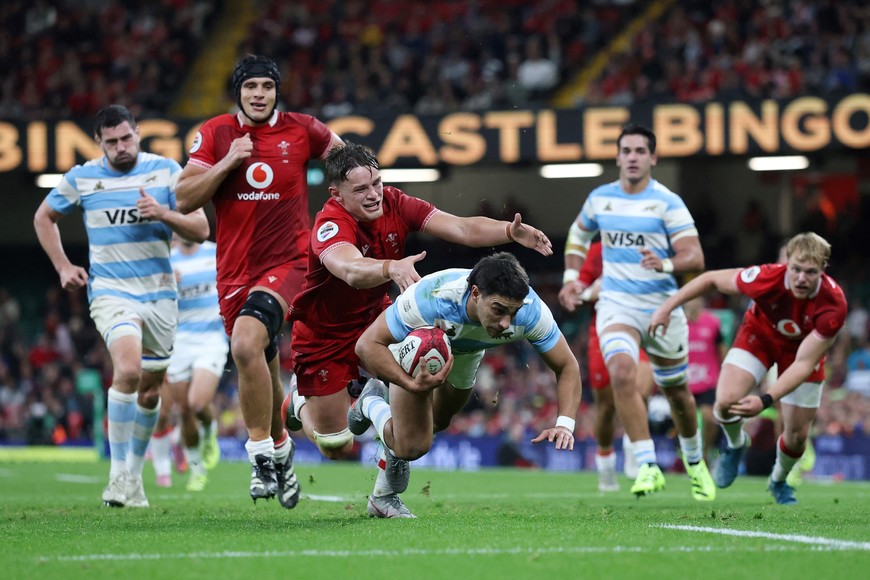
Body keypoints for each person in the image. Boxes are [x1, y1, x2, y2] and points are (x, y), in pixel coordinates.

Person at [281, 142, 553, 516]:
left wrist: (509, 231)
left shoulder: (395, 202)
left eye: (376, 182)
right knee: (337, 444)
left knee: (418, 385)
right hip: (323, 334)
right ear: (337, 194)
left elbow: (459, 226)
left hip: (378, 319)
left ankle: (384, 492)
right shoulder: (330, 224)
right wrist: (390, 267)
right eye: (361, 189)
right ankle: (298, 399)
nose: (374, 194)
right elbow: (349, 269)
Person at [175, 55, 344, 506]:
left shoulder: (302, 128)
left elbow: (349, 165)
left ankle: (259, 458)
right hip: (233, 273)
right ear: (238, 91)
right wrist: (226, 163)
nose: (259, 94)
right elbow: (183, 197)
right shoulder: (214, 135)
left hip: (288, 263)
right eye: (251, 86)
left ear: (276, 92)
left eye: (267, 87)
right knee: (261, 360)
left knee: (246, 344)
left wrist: (351, 210)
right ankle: (281, 451)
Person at [33, 105, 210, 507]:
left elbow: (201, 228)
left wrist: (163, 213)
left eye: (126, 138)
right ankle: (118, 477)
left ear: (137, 135)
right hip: (112, 291)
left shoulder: (166, 170)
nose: (120, 147)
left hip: (161, 295)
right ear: (99, 143)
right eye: (111, 141)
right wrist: (62, 266)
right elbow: (44, 218)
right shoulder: (83, 178)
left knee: (150, 393)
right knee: (127, 369)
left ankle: (134, 475)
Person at [350, 252, 581, 517]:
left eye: (513, 312)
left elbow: (567, 366)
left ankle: (384, 479)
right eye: (498, 310)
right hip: (417, 346)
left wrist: (565, 424)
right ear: (475, 293)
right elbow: (366, 345)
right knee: (412, 446)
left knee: (440, 420)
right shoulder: (431, 299)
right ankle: (371, 404)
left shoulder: (531, 311)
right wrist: (410, 384)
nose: (507, 323)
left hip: (468, 353)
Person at [558, 123, 715, 501]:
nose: (632, 157)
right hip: (617, 305)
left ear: (653, 158)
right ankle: (646, 464)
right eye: (626, 150)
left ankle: (695, 463)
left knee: (679, 395)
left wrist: (663, 264)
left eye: (640, 151)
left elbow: (695, 255)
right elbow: (578, 236)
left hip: (661, 308)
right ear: (617, 157)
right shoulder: (600, 199)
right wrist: (570, 278)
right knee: (621, 373)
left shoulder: (667, 201)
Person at [649, 232, 847, 504]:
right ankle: (735, 444)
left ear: (823, 270)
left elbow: (803, 363)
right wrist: (667, 307)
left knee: (797, 437)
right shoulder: (766, 278)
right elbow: (709, 279)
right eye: (796, 269)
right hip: (760, 337)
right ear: (786, 264)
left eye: (810, 272)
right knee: (725, 404)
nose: (801, 278)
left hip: (800, 353)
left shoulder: (833, 305)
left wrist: (765, 399)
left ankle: (778, 480)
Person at [570, 240, 654, 491]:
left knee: (642, 387)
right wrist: (590, 293)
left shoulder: (645, 245)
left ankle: (633, 443)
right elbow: (578, 290)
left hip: (638, 324)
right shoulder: (595, 251)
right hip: (603, 329)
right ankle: (605, 464)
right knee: (606, 406)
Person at [150, 237, 228, 492]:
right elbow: (154, 304)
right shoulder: (167, 261)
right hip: (179, 341)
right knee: (183, 411)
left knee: (196, 403)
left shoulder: (215, 253)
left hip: (211, 338)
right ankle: (197, 469)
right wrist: (165, 286)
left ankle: (210, 430)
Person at [684, 296, 726, 464]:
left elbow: (721, 349)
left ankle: (707, 452)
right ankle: (690, 455)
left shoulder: (713, 323)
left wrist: (726, 373)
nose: (694, 304)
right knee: (687, 421)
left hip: (709, 380)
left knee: (709, 418)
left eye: (697, 300)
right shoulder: (678, 324)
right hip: (685, 382)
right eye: (690, 300)